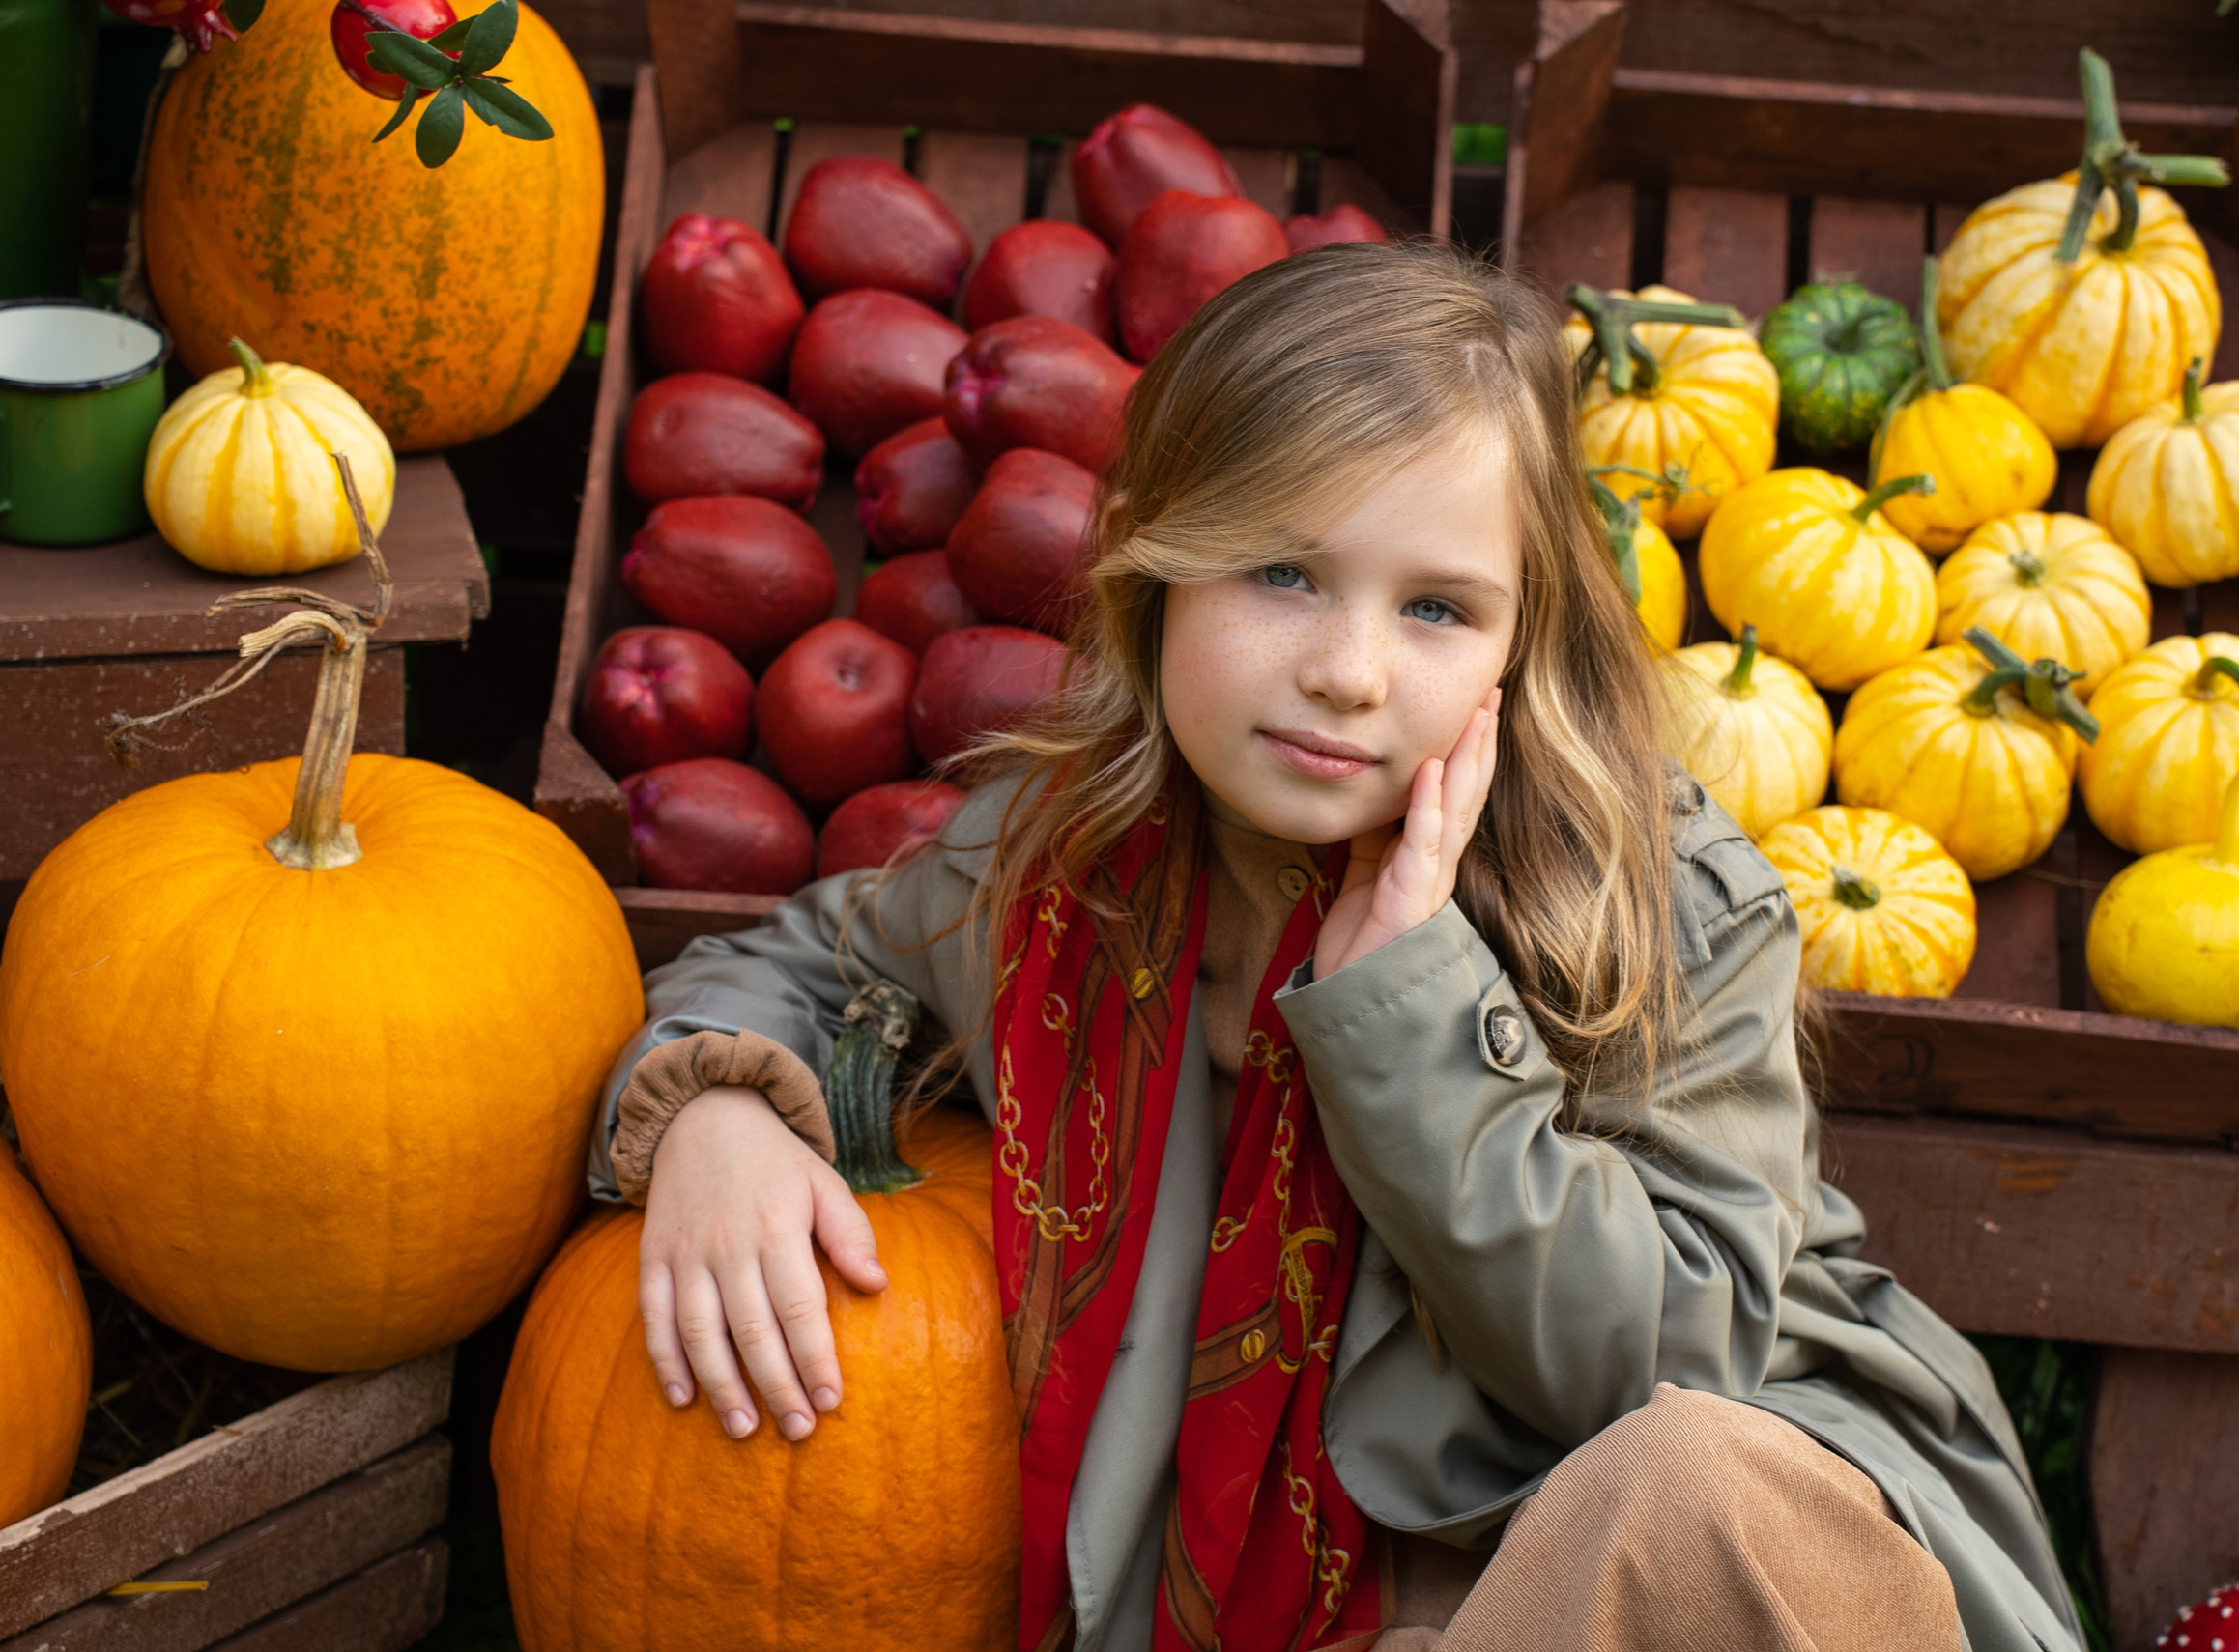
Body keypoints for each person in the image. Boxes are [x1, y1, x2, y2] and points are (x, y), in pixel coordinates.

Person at [590, 241, 2081, 1652]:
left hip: (1706, 1564)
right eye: (1283, 573)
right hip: (1364, 1600)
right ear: (1154, 564)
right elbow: (805, 957)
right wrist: (718, 1103)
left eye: (1437, 607)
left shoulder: (1653, 900)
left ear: (1521, 637)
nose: (1349, 671)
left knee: (1688, 1485)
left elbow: (1653, 1365)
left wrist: (1415, 1014)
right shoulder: (1066, 868)